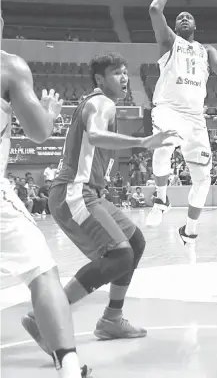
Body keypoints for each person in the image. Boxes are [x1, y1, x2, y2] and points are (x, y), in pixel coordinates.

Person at [22, 52, 179, 351]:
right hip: (74, 191)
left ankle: (112, 318)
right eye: (116, 72)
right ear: (99, 79)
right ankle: (44, 317)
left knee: (135, 244)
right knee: (120, 256)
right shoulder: (100, 102)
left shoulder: (101, 103)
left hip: (89, 192)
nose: (123, 77)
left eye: (124, 72)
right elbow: (94, 135)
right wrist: (143, 142)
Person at [0, 15, 90, 377]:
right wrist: (50, 113)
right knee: (42, 271)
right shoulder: (9, 68)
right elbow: (39, 132)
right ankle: (69, 366)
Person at [146, 0, 217, 263]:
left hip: (196, 118)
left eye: (188, 17)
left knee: (203, 179)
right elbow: (154, 11)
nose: (183, 18)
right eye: (180, 17)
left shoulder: (206, 50)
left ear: (195, 26)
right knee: (163, 146)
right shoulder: (169, 42)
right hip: (168, 108)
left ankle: (189, 230)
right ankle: (161, 199)